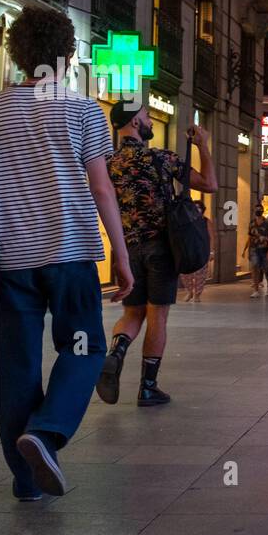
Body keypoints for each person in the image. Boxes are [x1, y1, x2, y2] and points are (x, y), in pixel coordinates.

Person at [0, 7, 133, 498]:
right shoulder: (83, 110)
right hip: (71, 257)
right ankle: (47, 432)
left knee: (17, 364)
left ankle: (25, 478)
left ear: (16, 55)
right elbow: (101, 189)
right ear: (69, 54)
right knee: (86, 347)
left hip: (11, 261)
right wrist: (121, 252)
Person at [99, 103, 218, 407]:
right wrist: (202, 145)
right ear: (136, 122)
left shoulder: (108, 163)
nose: (151, 120)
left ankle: (116, 353)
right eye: (146, 115)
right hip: (161, 248)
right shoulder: (161, 158)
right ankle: (148, 386)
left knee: (132, 312)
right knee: (157, 316)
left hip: (127, 249)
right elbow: (210, 184)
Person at [181, 201, 214, 302]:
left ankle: (197, 295)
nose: (197, 209)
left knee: (200, 274)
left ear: (202, 209)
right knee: (185, 273)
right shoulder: (187, 221)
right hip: (188, 250)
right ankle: (190, 292)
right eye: (194, 207)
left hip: (202, 250)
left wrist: (212, 251)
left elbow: (211, 237)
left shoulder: (206, 221)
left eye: (199, 207)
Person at [245, 206, 268, 298]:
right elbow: (249, 236)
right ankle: (256, 289)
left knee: (265, 269)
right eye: (256, 210)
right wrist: (247, 248)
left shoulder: (267, 222)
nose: (258, 211)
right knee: (254, 267)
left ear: (262, 211)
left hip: (264, 249)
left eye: (260, 210)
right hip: (254, 248)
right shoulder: (252, 223)